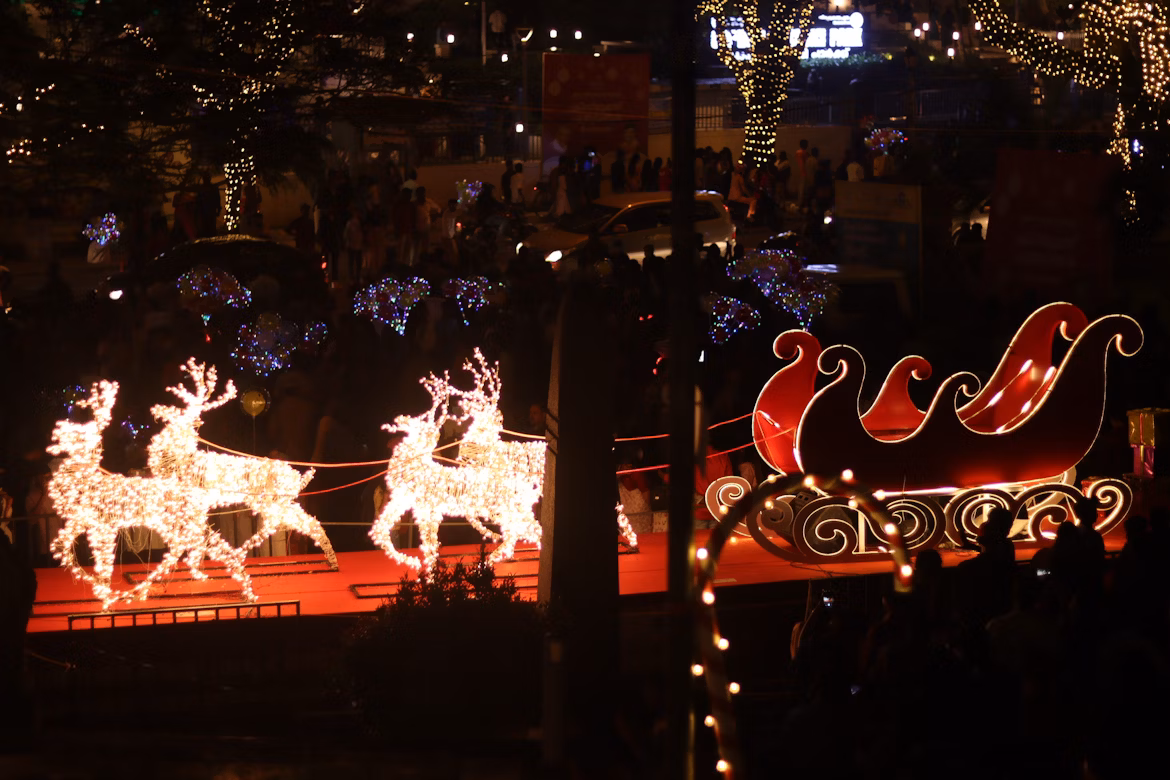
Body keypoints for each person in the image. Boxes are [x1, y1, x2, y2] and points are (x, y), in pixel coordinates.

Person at [413, 186, 441, 264]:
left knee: (426, 247)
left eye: (423, 193)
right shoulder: (414, 204)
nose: (421, 195)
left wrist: (433, 217)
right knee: (417, 248)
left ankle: (424, 264)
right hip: (417, 229)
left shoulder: (428, 202)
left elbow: (438, 210)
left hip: (426, 228)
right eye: (419, 193)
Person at [195, 172, 221, 237]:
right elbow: (217, 199)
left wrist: (218, 209)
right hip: (205, 211)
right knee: (207, 228)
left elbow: (217, 199)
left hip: (208, 210)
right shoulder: (211, 188)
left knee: (209, 228)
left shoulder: (212, 188)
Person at [343, 208, 363, 282]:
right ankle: (352, 276)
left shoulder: (360, 223)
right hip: (352, 245)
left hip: (358, 245)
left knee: (358, 262)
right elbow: (346, 233)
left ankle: (357, 276)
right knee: (352, 262)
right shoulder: (350, 223)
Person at [441, 199, 460, 267]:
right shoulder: (446, 213)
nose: (452, 206)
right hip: (447, 237)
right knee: (448, 253)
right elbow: (446, 226)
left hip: (452, 237)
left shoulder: (457, 213)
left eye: (454, 205)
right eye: (451, 204)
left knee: (453, 253)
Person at [795, 139, 810, 206]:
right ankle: (801, 204)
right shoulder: (805, 153)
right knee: (803, 190)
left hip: (799, 172)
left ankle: (800, 203)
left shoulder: (798, 152)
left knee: (800, 190)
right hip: (804, 173)